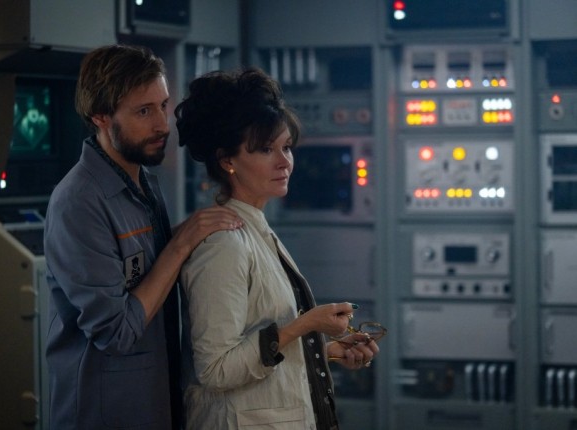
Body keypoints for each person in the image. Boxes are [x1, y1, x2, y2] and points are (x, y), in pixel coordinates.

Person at [43, 45, 243, 430]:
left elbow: (149, 267)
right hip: (106, 412)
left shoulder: (142, 180)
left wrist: (193, 232)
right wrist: (181, 243)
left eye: (163, 105)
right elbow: (115, 332)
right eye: (144, 112)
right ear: (100, 116)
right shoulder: (78, 202)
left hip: (154, 401)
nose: (163, 125)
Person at [175, 68, 380, 430]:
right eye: (266, 149)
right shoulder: (223, 244)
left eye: (286, 147)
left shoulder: (255, 228)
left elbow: (258, 346)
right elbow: (216, 369)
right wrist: (306, 324)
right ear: (227, 161)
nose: (285, 162)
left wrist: (325, 350)